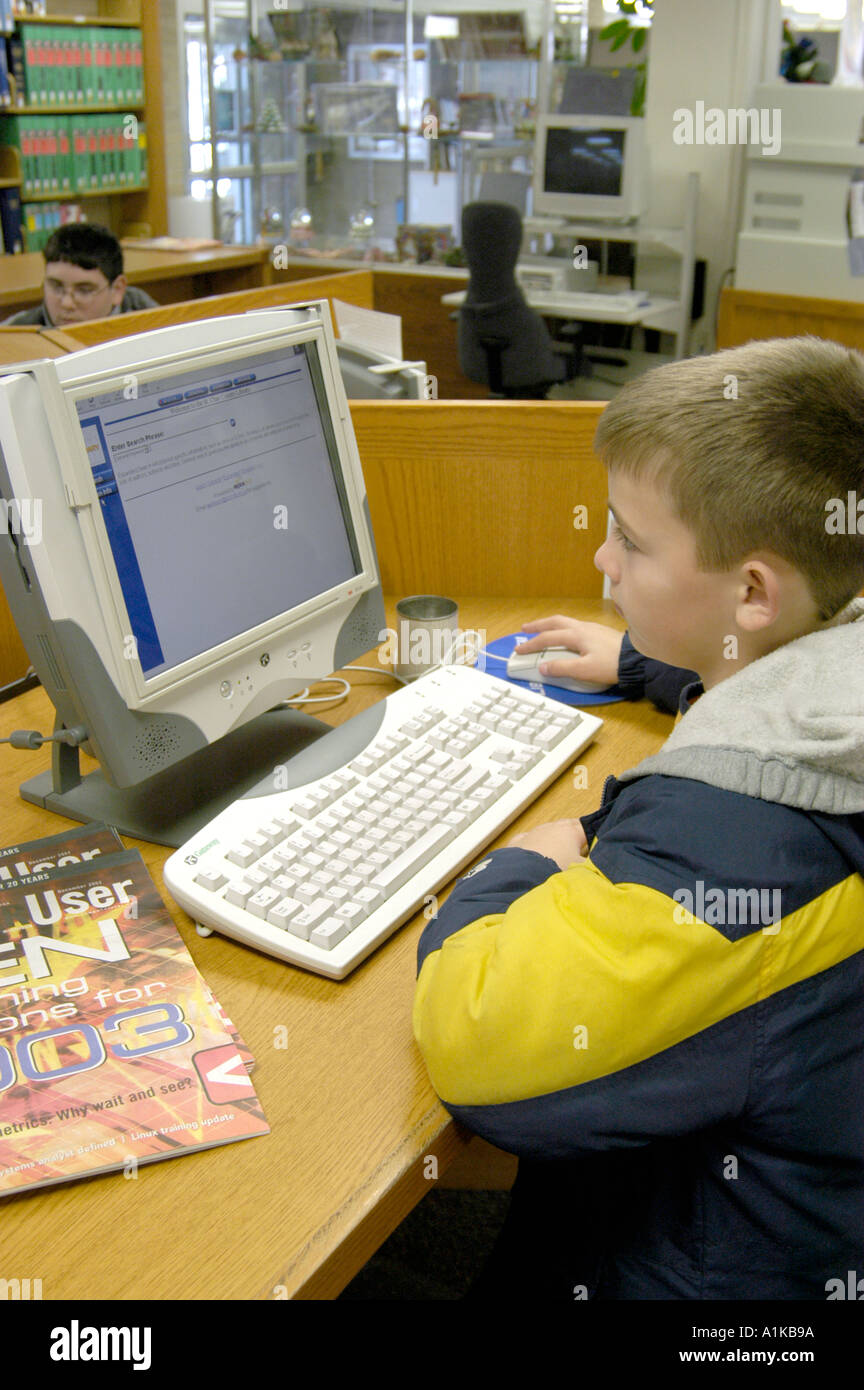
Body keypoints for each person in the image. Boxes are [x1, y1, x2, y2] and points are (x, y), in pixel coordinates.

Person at [413, 336, 864, 1300]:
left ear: (752, 591)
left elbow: (478, 1037)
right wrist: (656, 662)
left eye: (631, 539)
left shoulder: (743, 839)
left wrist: (523, 864)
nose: (600, 556)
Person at [4, 223, 157, 328]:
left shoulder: (156, 324)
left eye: (84, 290)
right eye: (56, 287)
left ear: (117, 290)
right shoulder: (15, 334)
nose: (67, 303)